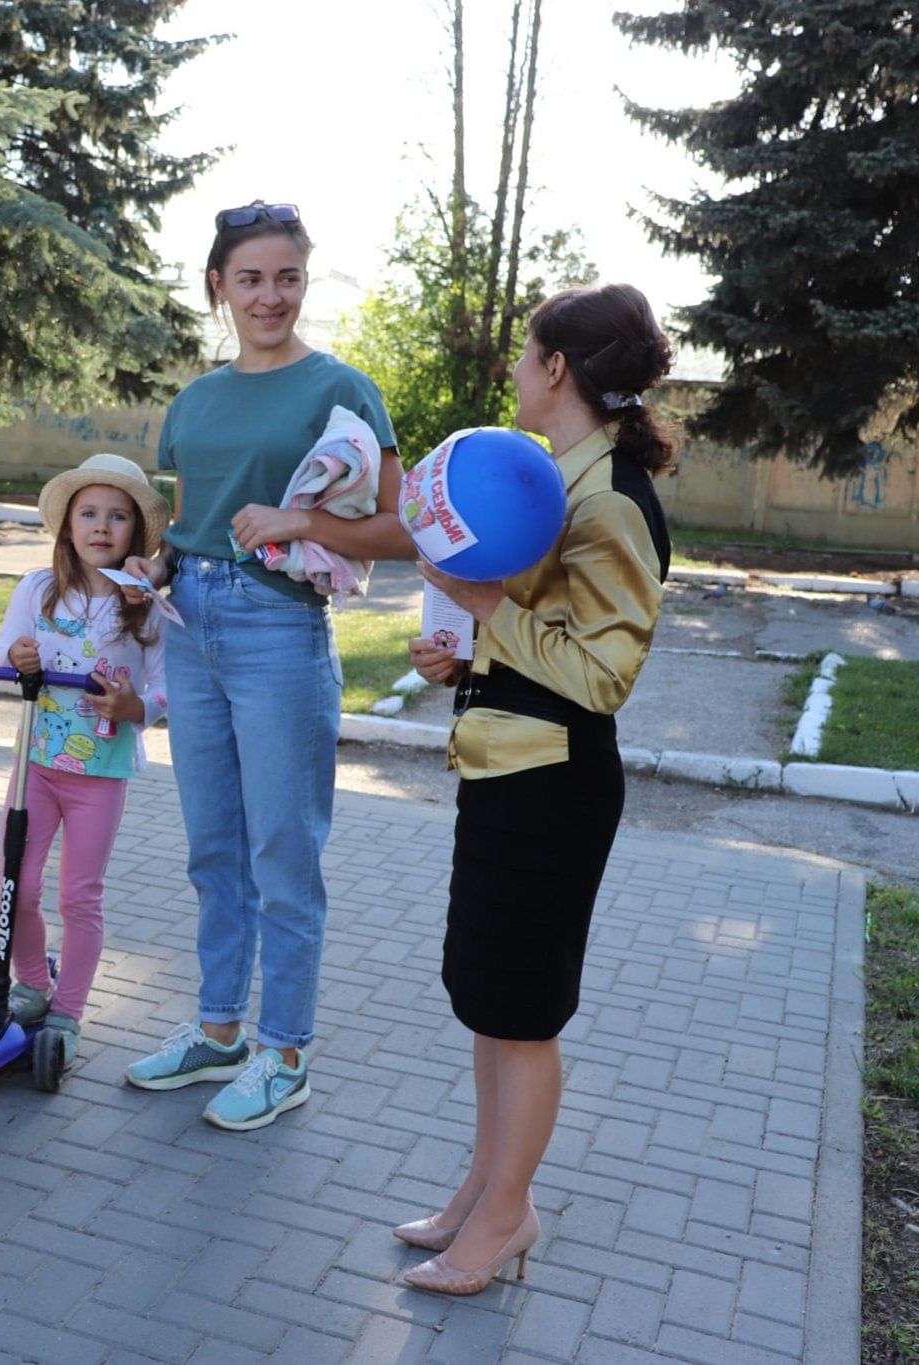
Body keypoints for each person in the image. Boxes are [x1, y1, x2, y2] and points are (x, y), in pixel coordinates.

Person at [398, 283, 673, 1295]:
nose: (514, 371)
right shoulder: (554, 477)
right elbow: (533, 638)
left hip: (553, 788)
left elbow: (601, 675)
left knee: (522, 1017)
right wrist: (465, 658)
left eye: (524, 354)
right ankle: (482, 1191)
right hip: (506, 769)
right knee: (489, 1003)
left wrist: (483, 608)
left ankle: (507, 1217)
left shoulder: (605, 501)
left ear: (557, 368)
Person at [118, 201, 416, 1131]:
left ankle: (284, 1052)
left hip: (280, 628)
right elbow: (187, 522)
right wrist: (153, 569)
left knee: (283, 851)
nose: (270, 295)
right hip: (193, 623)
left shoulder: (343, 391)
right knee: (214, 850)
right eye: (250, 278)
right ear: (218, 286)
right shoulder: (195, 401)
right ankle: (217, 1031)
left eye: (287, 276)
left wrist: (304, 522)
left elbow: (404, 527)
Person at [0, 453, 169, 1065]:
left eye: (117, 517)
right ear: (67, 525)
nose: (101, 527)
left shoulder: (143, 603)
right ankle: (34, 984)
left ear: (136, 533)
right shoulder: (39, 588)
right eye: (88, 513)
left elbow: (167, 691)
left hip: (101, 774)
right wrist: (20, 656)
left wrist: (134, 706)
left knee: (79, 898)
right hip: (35, 763)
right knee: (18, 884)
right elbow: (5, 652)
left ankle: (68, 1009)